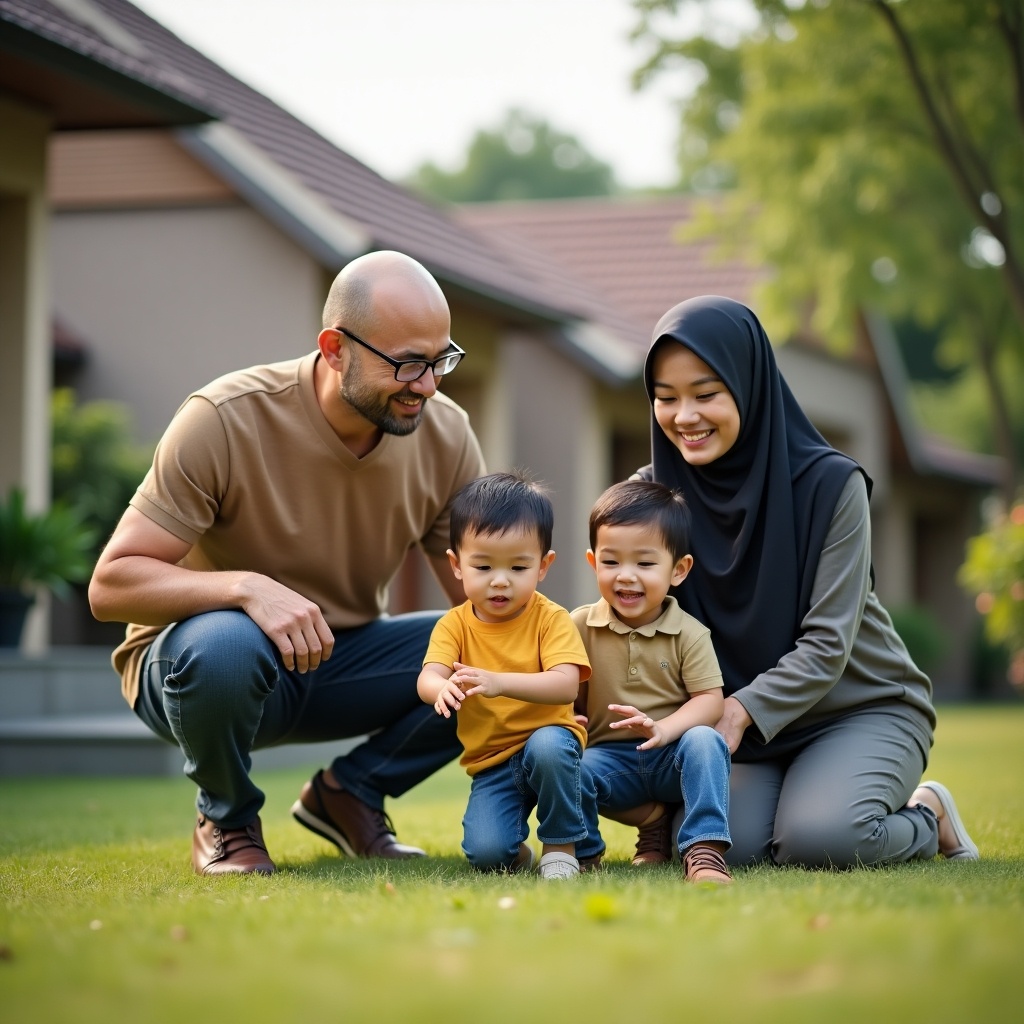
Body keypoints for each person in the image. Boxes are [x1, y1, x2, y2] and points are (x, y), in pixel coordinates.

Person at [88, 250, 487, 876]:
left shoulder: (448, 434)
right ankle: (228, 819)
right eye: (409, 364)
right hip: (202, 668)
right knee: (224, 644)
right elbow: (111, 585)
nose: (430, 385)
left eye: (441, 360)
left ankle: (350, 794)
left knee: (496, 652)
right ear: (334, 348)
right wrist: (247, 589)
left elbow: (484, 603)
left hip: (344, 660)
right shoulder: (222, 418)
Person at [639, 294, 979, 869]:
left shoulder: (829, 486)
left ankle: (930, 815)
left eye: (706, 395)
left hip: (858, 707)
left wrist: (737, 712)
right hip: (744, 732)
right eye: (666, 399)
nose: (684, 417)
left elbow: (828, 645)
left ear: (748, 386)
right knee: (726, 847)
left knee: (822, 841)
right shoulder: (654, 500)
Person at [417, 471, 604, 880]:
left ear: (543, 566)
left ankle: (562, 849)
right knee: (486, 855)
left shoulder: (550, 618)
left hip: (550, 742)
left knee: (550, 747)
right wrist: (441, 687)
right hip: (492, 762)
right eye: (483, 566)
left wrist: (500, 682)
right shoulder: (454, 625)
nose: (500, 580)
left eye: (518, 567)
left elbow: (566, 685)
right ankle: (517, 855)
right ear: (456, 564)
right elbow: (428, 676)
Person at [571, 480, 733, 884]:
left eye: (644, 564)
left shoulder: (689, 633)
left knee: (707, 741)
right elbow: (569, 695)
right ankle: (584, 852)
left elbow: (710, 701)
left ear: (678, 570)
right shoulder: (577, 625)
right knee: (567, 765)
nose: (626, 577)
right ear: (593, 563)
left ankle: (703, 850)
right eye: (611, 563)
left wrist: (664, 729)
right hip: (609, 760)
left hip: (672, 757)